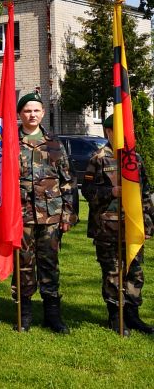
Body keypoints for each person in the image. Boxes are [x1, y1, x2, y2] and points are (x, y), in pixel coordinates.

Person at [81, 115, 154, 335]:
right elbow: (87, 191)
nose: (121, 135)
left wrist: (148, 226)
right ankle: (115, 316)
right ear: (108, 132)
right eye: (116, 130)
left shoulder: (136, 160)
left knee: (135, 272)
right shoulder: (98, 159)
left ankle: (132, 315)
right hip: (107, 228)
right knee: (112, 273)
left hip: (133, 227)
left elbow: (146, 194)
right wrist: (110, 192)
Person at [13, 91, 76, 333]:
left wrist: (68, 215)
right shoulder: (11, 144)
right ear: (20, 114)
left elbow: (68, 181)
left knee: (49, 264)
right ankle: (25, 314)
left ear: (42, 113)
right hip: (21, 215)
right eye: (27, 110)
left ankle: (52, 315)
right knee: (24, 265)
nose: (32, 114)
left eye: (36, 110)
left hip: (51, 215)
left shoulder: (54, 143)